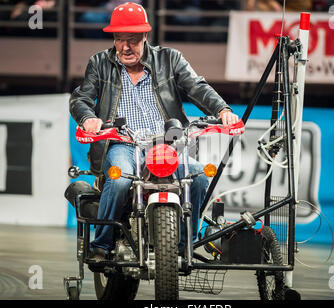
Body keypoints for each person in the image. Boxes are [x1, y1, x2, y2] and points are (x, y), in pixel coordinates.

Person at [69, 2, 239, 260]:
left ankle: (185, 245)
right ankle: (102, 245)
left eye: (133, 40)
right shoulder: (99, 63)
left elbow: (197, 87)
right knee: (119, 180)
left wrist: (222, 110)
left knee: (199, 178)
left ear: (145, 36)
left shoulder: (170, 59)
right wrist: (88, 118)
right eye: (119, 39)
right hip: (123, 142)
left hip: (169, 143)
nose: (125, 47)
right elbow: (80, 99)